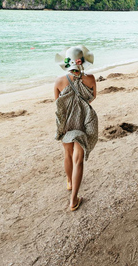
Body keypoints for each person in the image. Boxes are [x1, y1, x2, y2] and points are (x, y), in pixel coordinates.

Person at [53, 45, 98, 211]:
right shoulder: (91, 79)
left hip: (66, 123)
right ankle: (73, 201)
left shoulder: (59, 81)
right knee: (78, 160)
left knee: (67, 153)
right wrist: (81, 106)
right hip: (84, 121)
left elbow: (58, 105)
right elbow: (92, 97)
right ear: (83, 62)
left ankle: (70, 182)